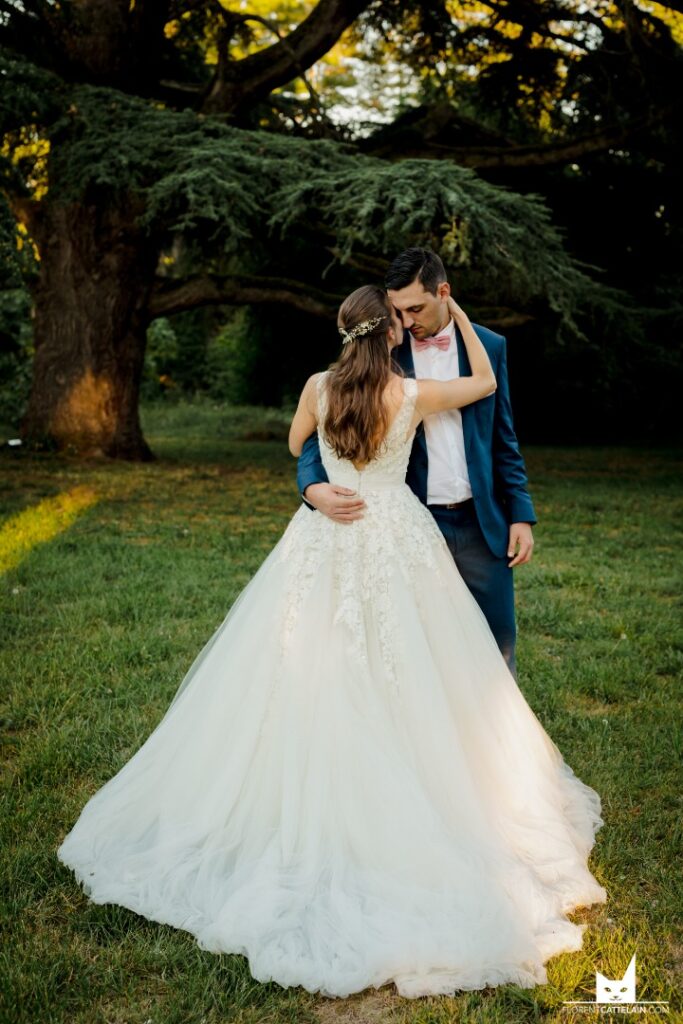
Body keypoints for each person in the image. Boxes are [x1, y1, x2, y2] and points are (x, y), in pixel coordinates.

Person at [56, 284, 607, 1001]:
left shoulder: (318, 385)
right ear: (387, 334)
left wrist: (321, 471)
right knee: (410, 658)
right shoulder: (407, 394)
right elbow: (484, 384)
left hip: (326, 536)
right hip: (396, 534)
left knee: (307, 657)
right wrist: (462, 317)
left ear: (344, 332)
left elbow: (295, 445)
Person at [298, 247, 536, 679]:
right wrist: (312, 487)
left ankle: (499, 740)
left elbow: (504, 436)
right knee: (417, 650)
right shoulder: (383, 350)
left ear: (444, 292)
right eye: (398, 311)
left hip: (482, 520)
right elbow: (324, 432)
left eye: (415, 308)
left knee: (499, 640)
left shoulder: (489, 346)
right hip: (409, 525)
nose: (407, 322)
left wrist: (520, 512)